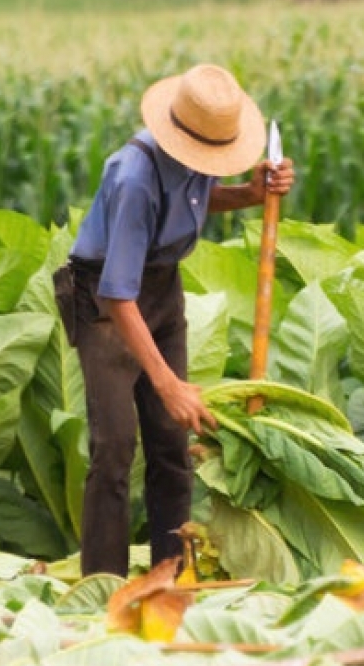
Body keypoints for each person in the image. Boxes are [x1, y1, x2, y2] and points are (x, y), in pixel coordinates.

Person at [55, 64, 295, 577]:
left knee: (171, 443)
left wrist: (252, 193)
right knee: (115, 446)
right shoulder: (134, 177)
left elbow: (194, 203)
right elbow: (119, 296)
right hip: (102, 299)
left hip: (161, 285)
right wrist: (166, 382)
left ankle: (171, 571)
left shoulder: (196, 154)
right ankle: (104, 584)